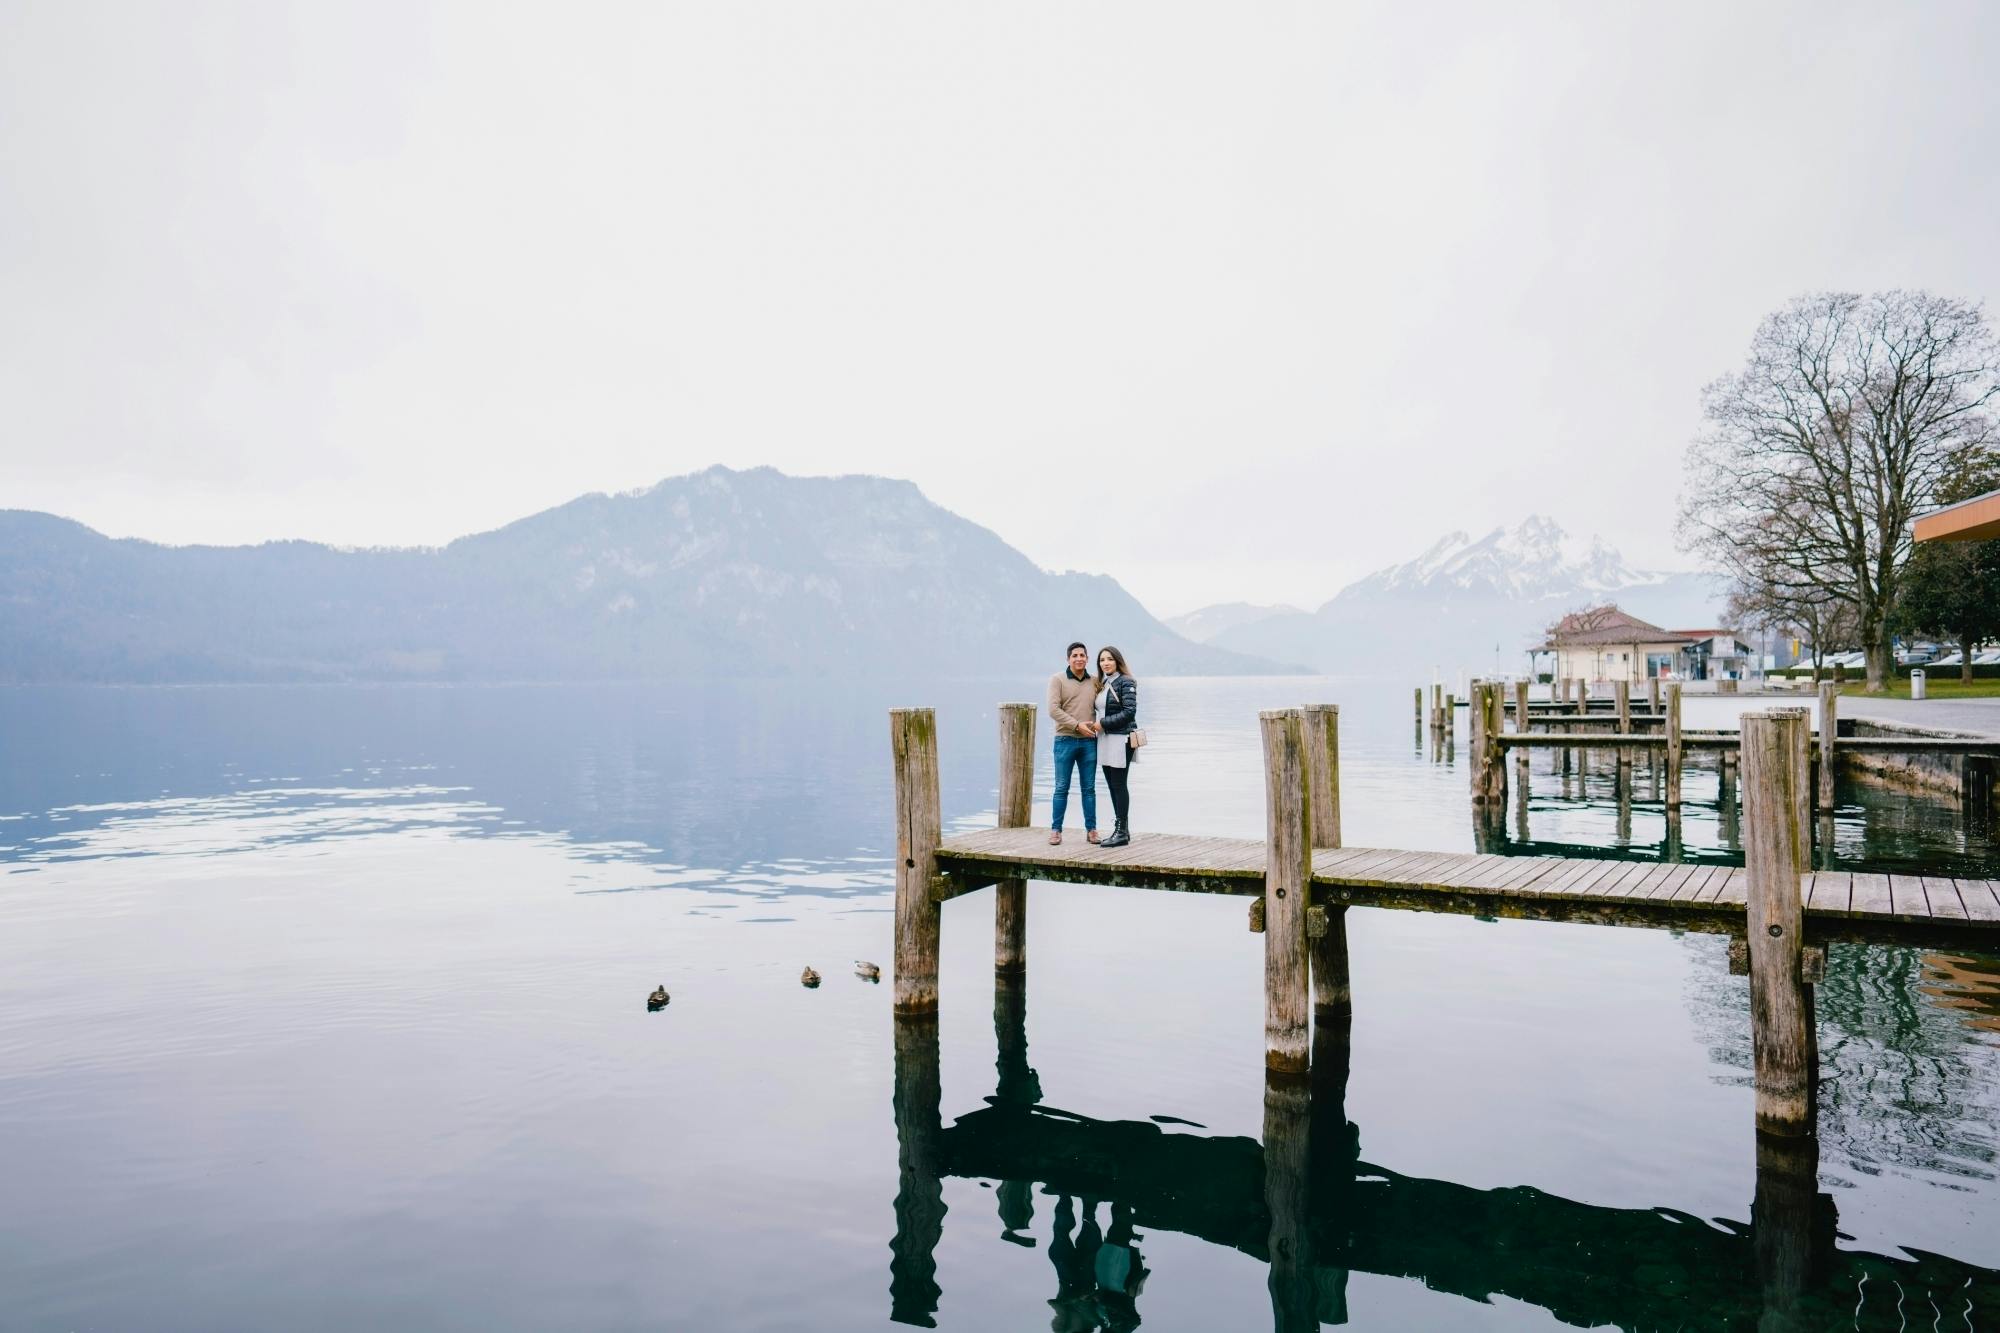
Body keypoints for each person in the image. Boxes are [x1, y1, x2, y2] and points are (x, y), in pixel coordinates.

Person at [1046, 641, 1101, 845]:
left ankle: (1092, 830)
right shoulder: (1057, 680)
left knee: (1089, 788)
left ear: (1087, 658)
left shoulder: (1095, 682)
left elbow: (1104, 707)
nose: (1079, 658)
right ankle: (1055, 830)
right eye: (1075, 655)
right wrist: (1077, 725)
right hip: (1064, 740)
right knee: (1061, 787)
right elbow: (1053, 710)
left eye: (1082, 655)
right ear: (1068, 659)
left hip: (1089, 743)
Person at [1094, 646, 1138, 848]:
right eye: (1102, 660)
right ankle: (1122, 831)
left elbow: (1129, 712)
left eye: (1109, 659)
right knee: (1112, 785)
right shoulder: (1103, 683)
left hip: (1121, 739)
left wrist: (1102, 724)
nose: (1105, 663)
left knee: (1119, 785)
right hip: (1104, 740)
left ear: (1117, 661)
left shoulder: (1126, 681)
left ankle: (1121, 831)